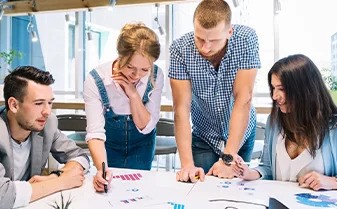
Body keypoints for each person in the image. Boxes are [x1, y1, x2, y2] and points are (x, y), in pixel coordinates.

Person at [169, 0, 261, 182]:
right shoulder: (180, 49)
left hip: (240, 133)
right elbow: (181, 109)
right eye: (200, 39)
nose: (205, 47)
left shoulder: (246, 39)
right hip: (204, 135)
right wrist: (187, 165)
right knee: (199, 187)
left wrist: (228, 160)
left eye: (213, 40)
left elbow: (243, 98)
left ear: (229, 31)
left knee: (237, 189)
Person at [233, 54, 337, 191]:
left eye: (281, 89)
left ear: (304, 90)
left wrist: (332, 182)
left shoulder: (333, 128)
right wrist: (249, 173)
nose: (275, 96)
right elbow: (267, 167)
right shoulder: (274, 122)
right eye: (273, 88)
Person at [84, 22, 163, 192]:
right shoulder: (96, 80)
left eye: (144, 69)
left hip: (142, 146)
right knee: (109, 192)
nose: (136, 75)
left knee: (139, 193)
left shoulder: (156, 75)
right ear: (120, 56)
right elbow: (95, 133)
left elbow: (146, 126)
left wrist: (133, 94)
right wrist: (101, 170)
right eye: (130, 67)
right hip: (108, 148)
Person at [0, 66, 90, 209]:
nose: (47, 111)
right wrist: (62, 181)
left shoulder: (48, 124)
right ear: (14, 105)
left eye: (50, 102)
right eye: (39, 103)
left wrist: (55, 176)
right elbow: (2, 197)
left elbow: (79, 156)